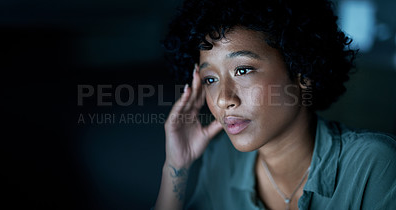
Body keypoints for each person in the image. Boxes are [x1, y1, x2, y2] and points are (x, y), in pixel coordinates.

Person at [154, 0, 396, 209]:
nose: (223, 99)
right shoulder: (222, 160)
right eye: (211, 79)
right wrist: (177, 166)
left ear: (302, 72)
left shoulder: (373, 166)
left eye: (243, 70)